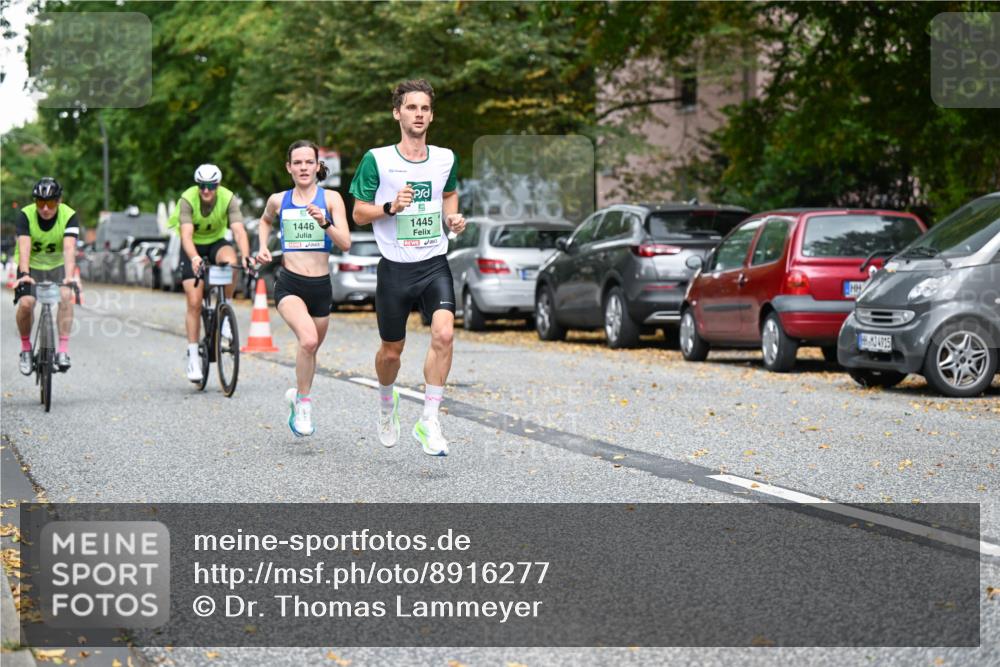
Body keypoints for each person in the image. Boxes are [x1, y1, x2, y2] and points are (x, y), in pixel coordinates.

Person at [349, 79, 466, 456]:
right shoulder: (377, 159)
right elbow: (358, 213)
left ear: (432, 115)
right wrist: (390, 208)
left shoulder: (445, 157)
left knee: (444, 335)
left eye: (425, 108)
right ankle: (387, 401)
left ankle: (430, 420)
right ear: (397, 113)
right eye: (412, 107)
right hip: (395, 269)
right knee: (392, 352)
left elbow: (448, 193)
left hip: (434, 262)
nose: (419, 114)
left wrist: (452, 219)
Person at [256, 140, 351, 437]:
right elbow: (265, 220)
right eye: (297, 163)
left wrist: (325, 223)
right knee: (308, 341)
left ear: (317, 166)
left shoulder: (331, 199)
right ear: (289, 168)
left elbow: (345, 243)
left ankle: (297, 397)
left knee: (310, 350)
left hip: (321, 286)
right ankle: (306, 405)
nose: (303, 168)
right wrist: (262, 247)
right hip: (290, 283)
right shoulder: (278, 199)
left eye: (308, 162)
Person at [170, 164, 252, 382]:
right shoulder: (187, 199)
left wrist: (246, 256)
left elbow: (238, 230)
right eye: (202, 186)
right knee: (195, 302)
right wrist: (195, 258)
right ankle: (193, 356)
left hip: (216, 242)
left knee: (231, 261)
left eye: (211, 186)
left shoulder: (228, 198)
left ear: (218, 185)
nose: (206, 190)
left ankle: (226, 312)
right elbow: (186, 235)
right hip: (192, 247)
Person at [12, 177, 81, 374]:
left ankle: (62, 351)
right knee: (26, 303)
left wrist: (69, 276)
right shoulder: (25, 215)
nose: (45, 209)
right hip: (32, 265)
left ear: (58, 201)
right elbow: (24, 247)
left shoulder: (69, 215)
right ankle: (26, 349)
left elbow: (69, 248)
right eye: (40, 203)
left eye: (50, 203)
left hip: (57, 265)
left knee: (66, 296)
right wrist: (24, 274)